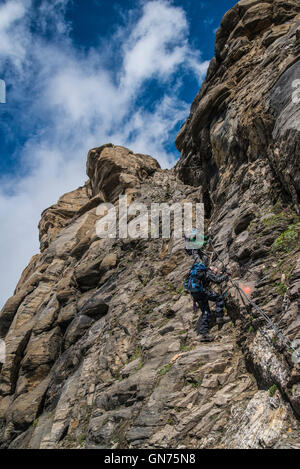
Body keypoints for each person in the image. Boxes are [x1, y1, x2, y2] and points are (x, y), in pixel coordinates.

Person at [192, 265, 229, 342]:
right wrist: (226, 275)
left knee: (205, 312)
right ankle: (220, 317)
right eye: (215, 272)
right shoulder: (208, 272)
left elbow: (215, 278)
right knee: (218, 297)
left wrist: (222, 273)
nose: (215, 274)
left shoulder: (202, 274)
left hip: (196, 293)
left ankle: (203, 334)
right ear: (212, 270)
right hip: (202, 292)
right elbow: (217, 280)